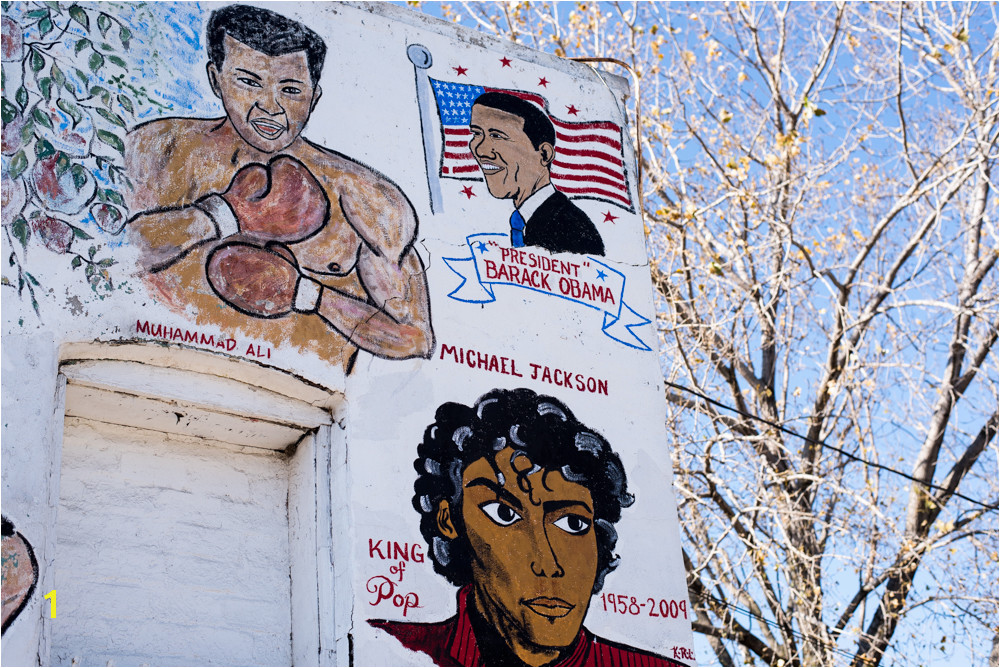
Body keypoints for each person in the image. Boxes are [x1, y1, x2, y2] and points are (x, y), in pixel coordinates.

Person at [125, 5, 433, 372]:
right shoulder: (155, 151)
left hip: (298, 408)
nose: (270, 107)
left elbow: (413, 338)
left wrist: (307, 295)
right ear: (215, 78)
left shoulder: (363, 197)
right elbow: (104, 256)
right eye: (249, 82)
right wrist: (226, 214)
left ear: (314, 97)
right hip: (152, 376)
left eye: (290, 89)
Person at [368, 388, 684, 667]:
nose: (548, 564)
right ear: (449, 520)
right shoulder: (387, 649)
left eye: (572, 523)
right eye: (504, 514)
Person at [468, 93, 605, 257]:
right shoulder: (527, 219)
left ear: (544, 154)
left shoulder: (570, 228)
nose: (481, 150)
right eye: (476, 133)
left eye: (497, 136)